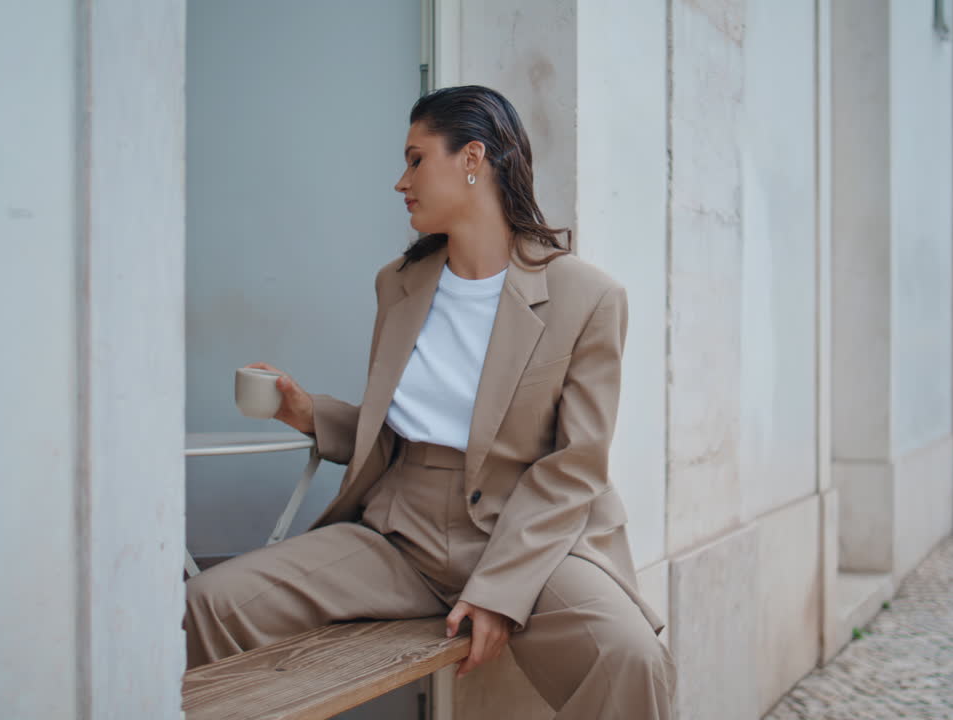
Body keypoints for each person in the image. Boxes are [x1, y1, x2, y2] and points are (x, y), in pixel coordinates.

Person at [184, 85, 675, 719]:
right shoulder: (401, 283)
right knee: (212, 604)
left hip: (524, 531)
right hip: (397, 531)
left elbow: (576, 464)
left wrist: (500, 592)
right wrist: (309, 414)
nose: (401, 181)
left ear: (474, 158)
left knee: (628, 655)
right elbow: (399, 428)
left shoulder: (586, 296)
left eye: (416, 159)